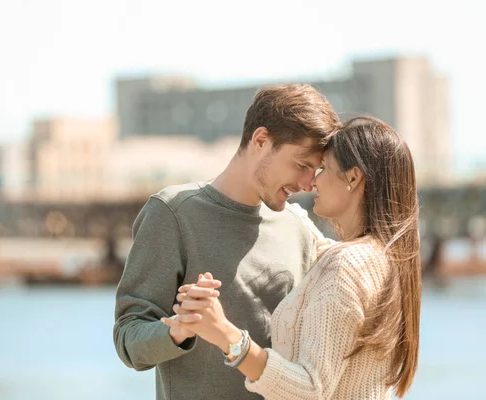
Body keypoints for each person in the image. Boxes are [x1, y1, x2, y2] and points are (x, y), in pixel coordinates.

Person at [164, 116, 422, 399]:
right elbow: (319, 245)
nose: (312, 182)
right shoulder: (382, 259)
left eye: (323, 168)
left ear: (353, 177)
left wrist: (225, 334)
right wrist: (271, 191)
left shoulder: (346, 266)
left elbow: (309, 389)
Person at [113, 84, 341, 400]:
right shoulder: (173, 214)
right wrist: (180, 329)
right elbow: (129, 339)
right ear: (261, 140)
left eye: (314, 170)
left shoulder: (299, 230)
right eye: (302, 165)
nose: (306, 183)